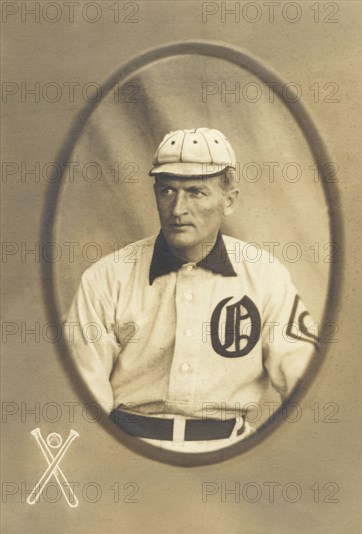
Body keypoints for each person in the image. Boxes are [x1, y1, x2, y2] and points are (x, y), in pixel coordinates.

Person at [65, 127, 318, 453]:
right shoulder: (106, 277)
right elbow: (83, 402)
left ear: (229, 201)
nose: (178, 208)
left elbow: (308, 388)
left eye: (196, 192)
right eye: (167, 191)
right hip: (127, 452)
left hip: (233, 454)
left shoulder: (265, 276)